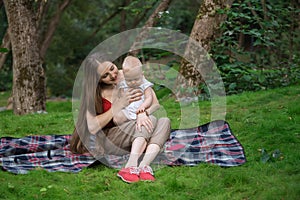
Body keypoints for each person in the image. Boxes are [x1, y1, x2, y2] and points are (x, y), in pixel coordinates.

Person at [70, 53, 171, 183]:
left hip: (136, 132)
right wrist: (117, 106)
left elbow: (155, 104)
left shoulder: (130, 74)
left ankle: (143, 167)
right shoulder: (94, 92)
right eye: (105, 76)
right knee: (151, 120)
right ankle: (130, 166)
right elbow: (92, 127)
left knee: (165, 121)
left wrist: (142, 113)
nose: (112, 75)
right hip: (111, 139)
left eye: (112, 68)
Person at [113, 56, 156, 125]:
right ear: (124, 75)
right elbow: (121, 97)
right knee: (117, 118)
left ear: (142, 74)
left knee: (147, 122)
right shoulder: (123, 85)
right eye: (129, 80)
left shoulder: (145, 84)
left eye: (136, 79)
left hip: (141, 110)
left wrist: (143, 106)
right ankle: (127, 129)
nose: (133, 82)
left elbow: (149, 97)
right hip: (128, 111)